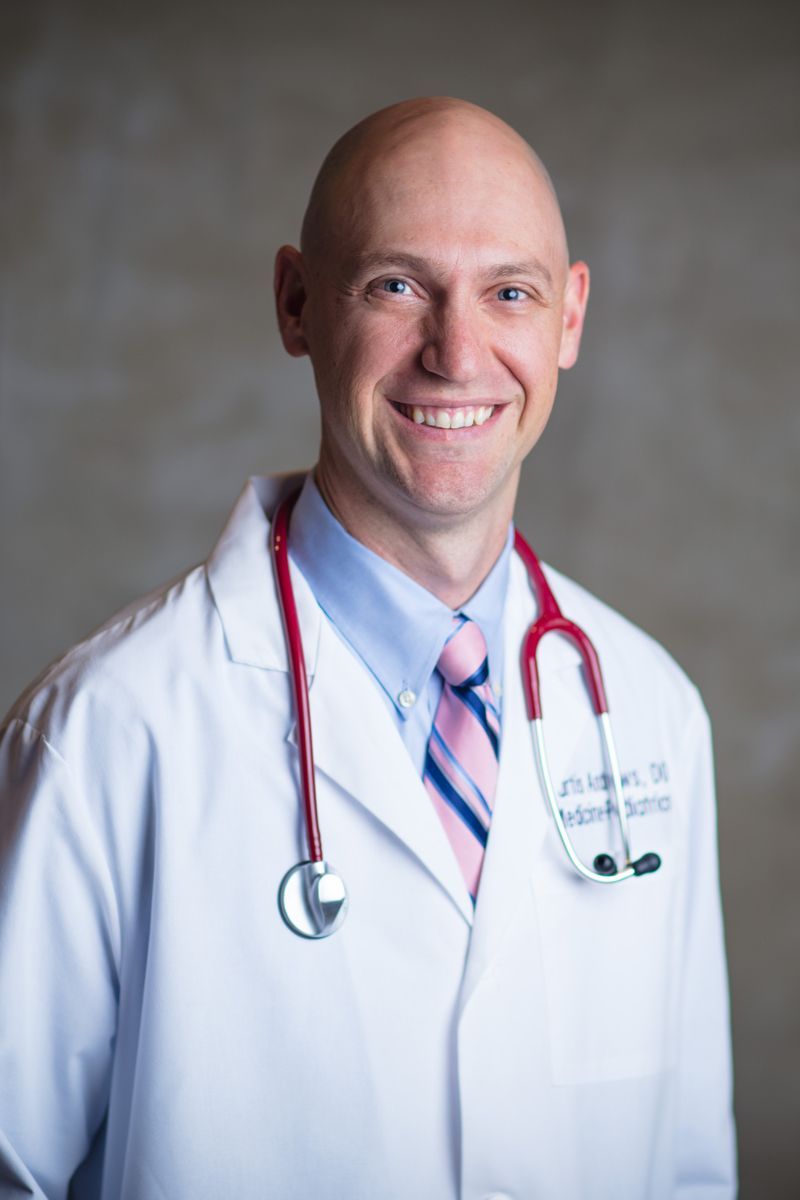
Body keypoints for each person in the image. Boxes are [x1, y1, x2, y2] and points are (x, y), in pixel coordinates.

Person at [0, 98, 736, 1198]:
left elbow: (684, 1173)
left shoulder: (649, 711)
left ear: (568, 318)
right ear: (296, 304)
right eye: (397, 285)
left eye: (508, 293)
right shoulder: (107, 730)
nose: (455, 352)